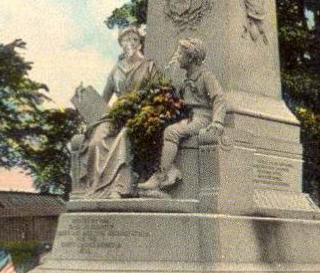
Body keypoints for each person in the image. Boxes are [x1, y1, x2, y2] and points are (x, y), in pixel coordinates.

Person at [71, 27, 158, 199]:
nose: (130, 43)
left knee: (124, 136)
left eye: (134, 39)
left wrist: (142, 110)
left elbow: (156, 96)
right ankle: (98, 188)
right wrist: (83, 96)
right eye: (126, 40)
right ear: (121, 44)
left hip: (140, 115)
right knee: (96, 140)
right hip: (117, 114)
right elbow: (104, 99)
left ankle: (119, 188)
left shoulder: (149, 67)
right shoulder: (116, 70)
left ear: (140, 44)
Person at [138, 37, 226, 191]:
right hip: (188, 117)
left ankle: (161, 177)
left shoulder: (206, 76)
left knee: (171, 132)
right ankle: (168, 170)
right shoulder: (185, 79)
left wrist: (217, 121)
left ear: (191, 57)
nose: (177, 56)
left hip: (202, 117)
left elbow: (219, 98)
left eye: (180, 53)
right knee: (153, 126)